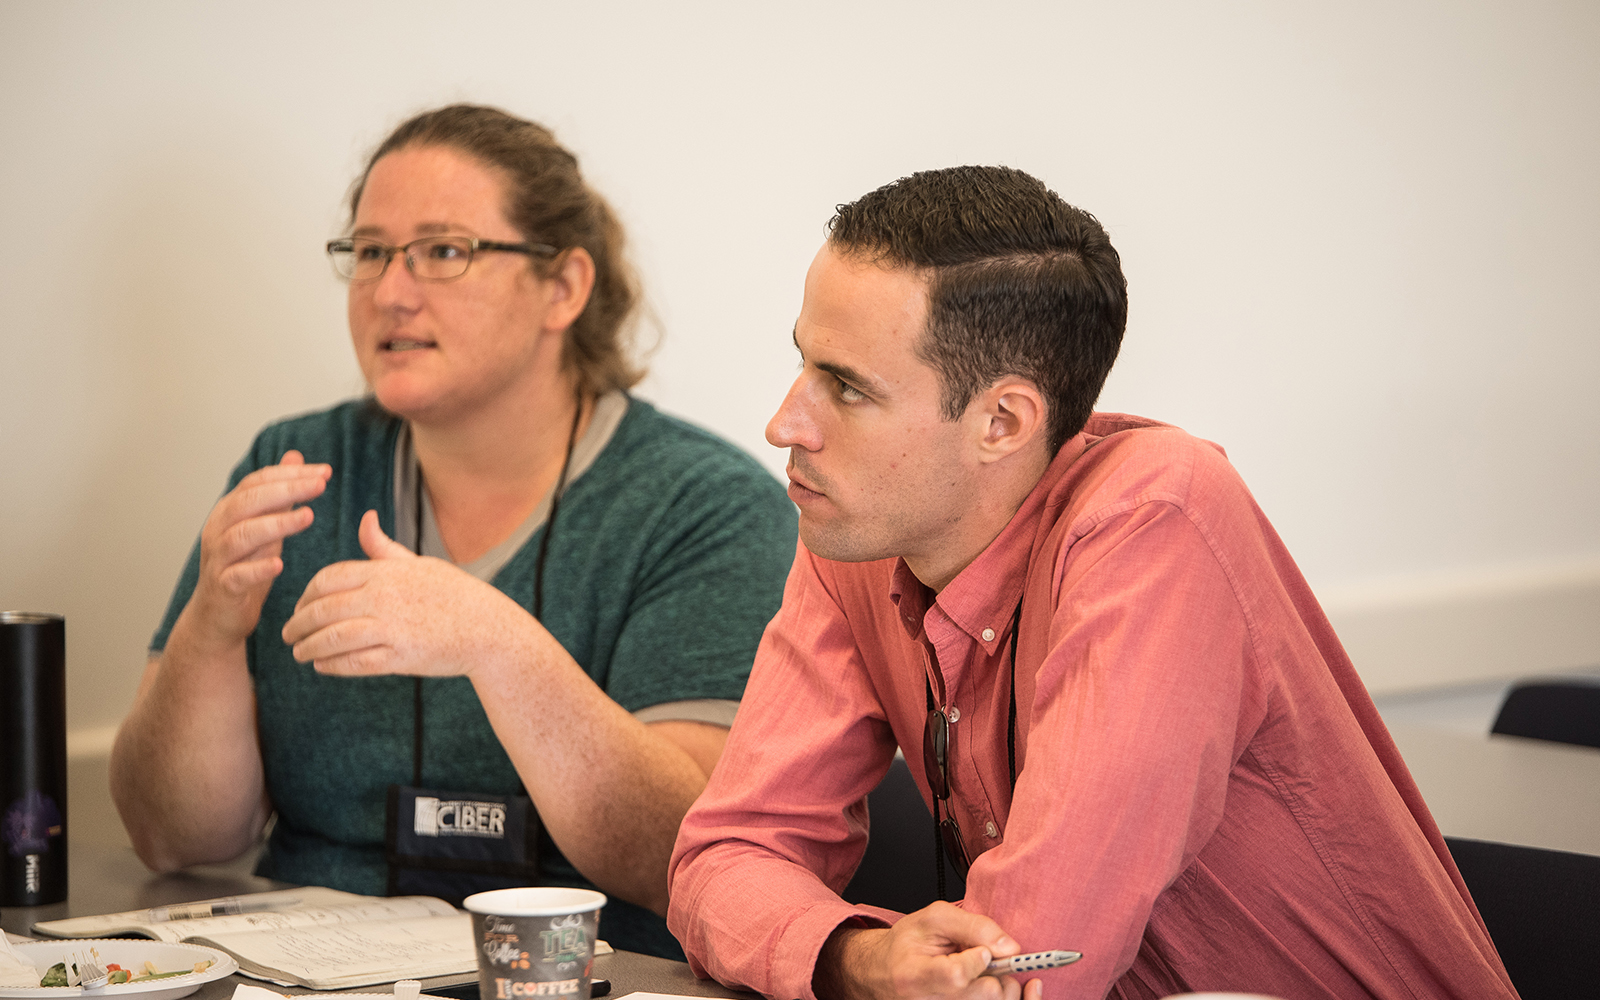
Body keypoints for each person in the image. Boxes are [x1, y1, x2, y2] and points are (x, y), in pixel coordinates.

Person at [666, 166, 1517, 998]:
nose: (785, 422)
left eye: (845, 387)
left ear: (1002, 421)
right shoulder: (858, 531)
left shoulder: (1156, 517)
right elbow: (723, 860)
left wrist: (880, 961)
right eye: (805, 363)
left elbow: (1029, 962)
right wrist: (857, 961)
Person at [109, 104, 796, 959]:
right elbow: (174, 840)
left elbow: (684, 859)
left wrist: (495, 643)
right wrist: (209, 627)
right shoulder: (296, 469)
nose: (391, 292)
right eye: (368, 253)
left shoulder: (705, 506)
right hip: (298, 971)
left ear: (563, 287)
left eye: (444, 251)